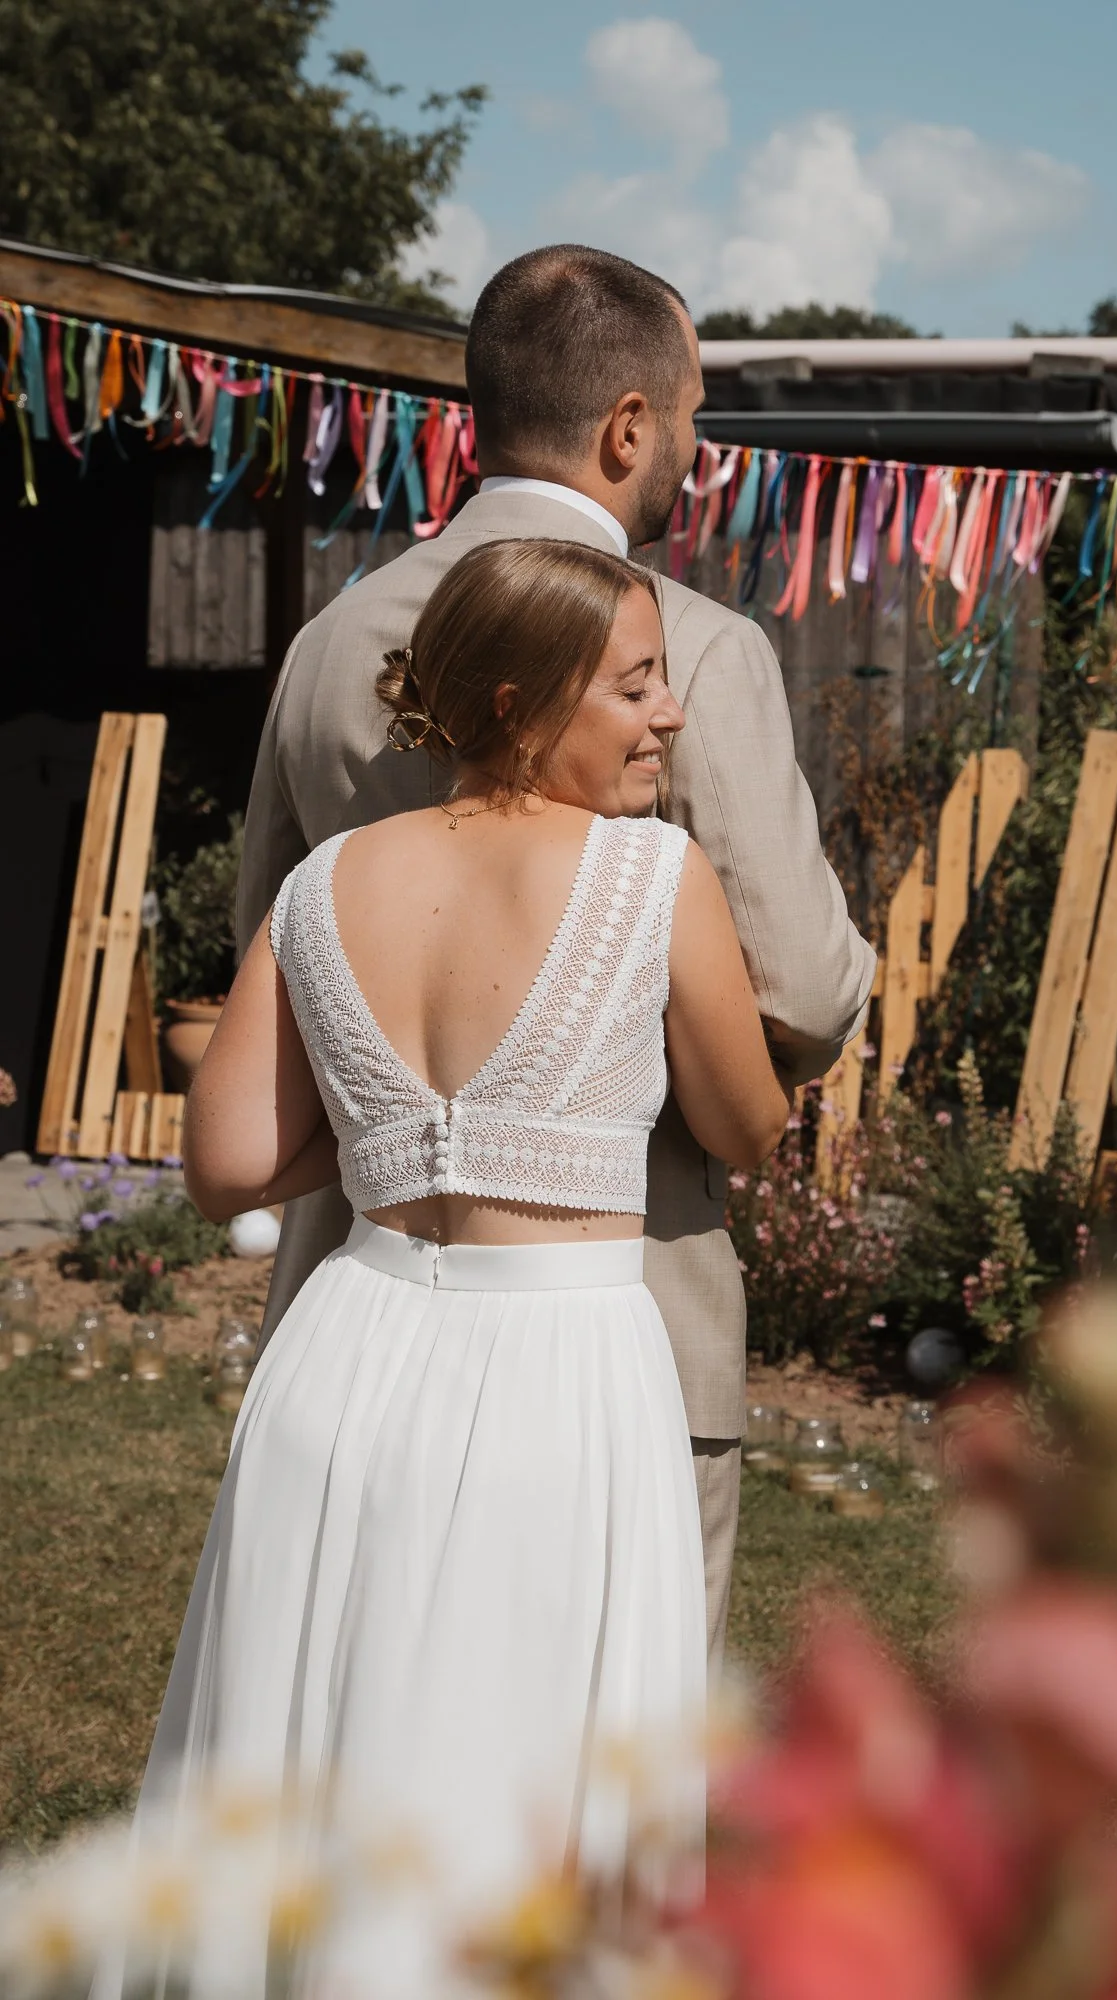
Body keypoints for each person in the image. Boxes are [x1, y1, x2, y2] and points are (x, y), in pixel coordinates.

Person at [116, 540, 790, 1989]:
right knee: (526, 1782)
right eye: (637, 682)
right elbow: (749, 1124)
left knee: (322, 1758)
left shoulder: (326, 882)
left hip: (346, 1355)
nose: (669, 712)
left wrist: (394, 1143)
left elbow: (226, 1164)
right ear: (519, 699)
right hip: (560, 1378)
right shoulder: (651, 875)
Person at [237, 244, 877, 1676]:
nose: (695, 457)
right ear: (631, 427)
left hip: (357, 1303)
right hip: (617, 1326)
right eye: (695, 422)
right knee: (596, 1772)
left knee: (358, 1742)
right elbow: (802, 981)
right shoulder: (688, 650)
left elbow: (264, 948)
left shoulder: (330, 642)